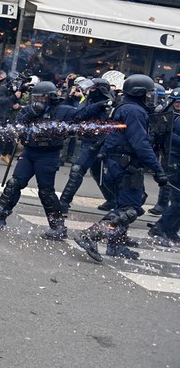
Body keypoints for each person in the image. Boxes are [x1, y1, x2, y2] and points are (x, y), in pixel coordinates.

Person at [0, 81, 108, 240]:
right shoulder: (30, 109)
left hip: (48, 155)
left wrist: (100, 104)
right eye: (36, 97)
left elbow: (82, 113)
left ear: (50, 97)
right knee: (14, 183)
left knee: (46, 191)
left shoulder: (62, 110)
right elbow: (17, 125)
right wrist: (30, 114)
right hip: (29, 152)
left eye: (41, 97)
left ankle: (58, 227)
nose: (38, 100)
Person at [74, 75, 171, 261]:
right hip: (125, 164)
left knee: (129, 201)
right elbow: (140, 143)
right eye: (149, 93)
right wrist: (157, 169)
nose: (151, 97)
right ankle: (90, 235)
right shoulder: (134, 111)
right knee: (129, 208)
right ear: (140, 93)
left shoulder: (124, 106)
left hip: (117, 162)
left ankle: (116, 245)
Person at [58, 78, 118, 214]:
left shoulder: (109, 105)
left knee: (77, 169)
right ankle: (112, 199)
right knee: (96, 172)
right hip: (88, 139)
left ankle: (64, 202)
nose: (90, 91)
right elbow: (80, 114)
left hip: (98, 142)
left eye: (92, 88)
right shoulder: (92, 101)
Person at [149, 87, 180, 246]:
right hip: (173, 160)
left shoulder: (171, 117)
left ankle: (171, 230)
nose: (177, 104)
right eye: (176, 101)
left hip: (173, 160)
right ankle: (160, 228)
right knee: (178, 201)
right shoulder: (170, 117)